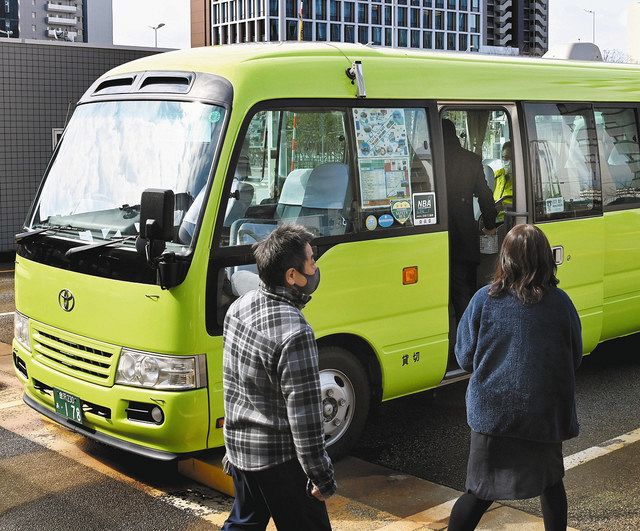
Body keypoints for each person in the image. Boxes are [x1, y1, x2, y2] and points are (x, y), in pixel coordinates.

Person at [449, 224, 583, 531]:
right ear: (545, 259)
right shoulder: (560, 303)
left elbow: (465, 357)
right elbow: (573, 357)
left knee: (478, 491)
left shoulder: (484, 299)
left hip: (492, 415)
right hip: (542, 415)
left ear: (505, 259)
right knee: (551, 485)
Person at [222, 223, 336, 531]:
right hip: (279, 460)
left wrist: (230, 449)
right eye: (311, 261)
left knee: (244, 523)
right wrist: (320, 476)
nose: (315, 268)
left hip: (242, 448)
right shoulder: (295, 333)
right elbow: (305, 419)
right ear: (291, 276)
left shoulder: (238, 307)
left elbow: (232, 386)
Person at [442, 118, 498, 323]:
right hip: (463, 238)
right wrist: (490, 225)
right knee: (464, 294)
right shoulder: (471, 160)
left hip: (430, 237)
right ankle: (466, 343)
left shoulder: (429, 160)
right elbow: (485, 195)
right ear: (455, 134)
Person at [493, 141, 514, 222]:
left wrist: (503, 207)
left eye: (511, 159)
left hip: (511, 220)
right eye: (505, 158)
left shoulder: (522, 179)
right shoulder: (496, 175)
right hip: (493, 220)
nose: (508, 162)